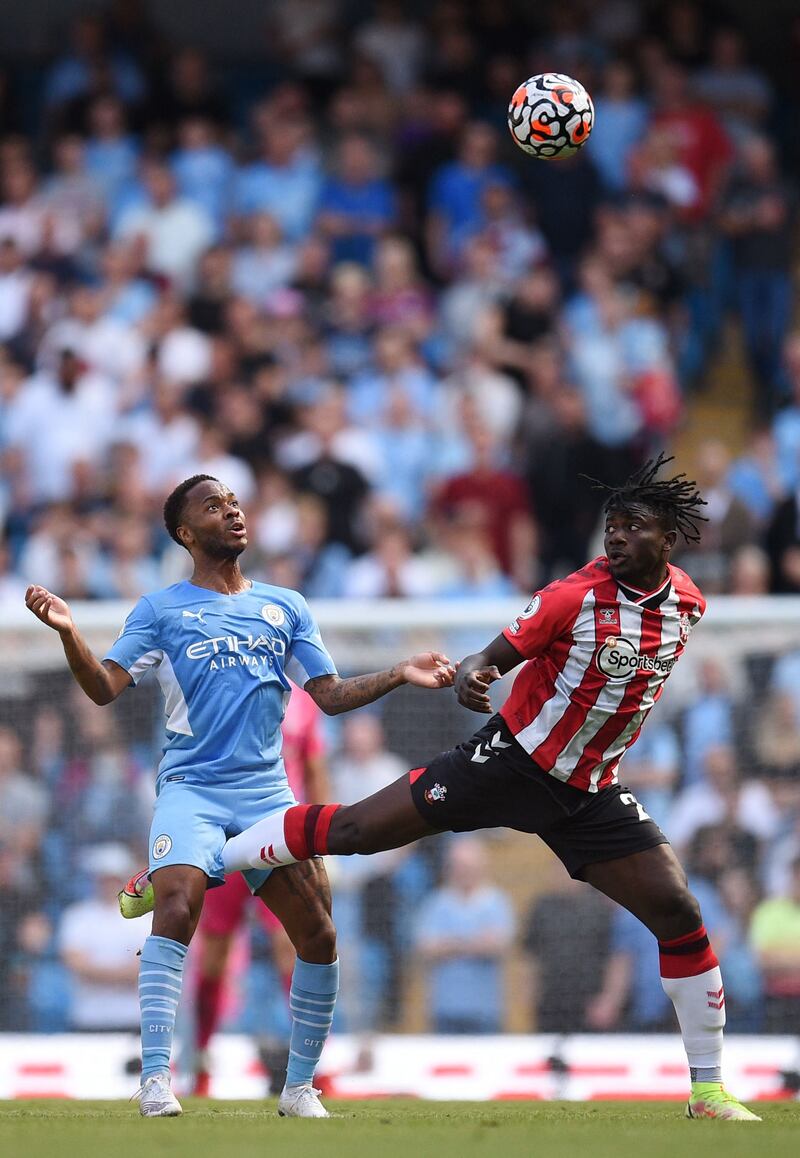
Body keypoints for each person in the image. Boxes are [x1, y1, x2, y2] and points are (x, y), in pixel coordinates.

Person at [208, 455, 761, 1122]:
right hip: (508, 763)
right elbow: (490, 656)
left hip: (586, 792)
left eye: (632, 527)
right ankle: (213, 858)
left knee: (679, 913)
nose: (615, 537)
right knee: (354, 831)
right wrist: (474, 676)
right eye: (610, 526)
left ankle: (707, 1091)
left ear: (667, 540)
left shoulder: (689, 605)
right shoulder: (572, 597)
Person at [24, 473, 454, 1119]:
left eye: (234, 502)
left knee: (318, 933)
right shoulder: (160, 609)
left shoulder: (287, 605)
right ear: (184, 531)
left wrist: (397, 672)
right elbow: (105, 688)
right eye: (213, 506)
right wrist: (67, 632)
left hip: (266, 797)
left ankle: (300, 1088)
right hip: (192, 790)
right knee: (175, 908)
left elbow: (329, 695)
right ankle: (158, 1078)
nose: (232, 512)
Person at [191, 680, 329, 1097]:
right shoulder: (222, 687)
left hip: (283, 840)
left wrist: (322, 840)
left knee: (299, 947)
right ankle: (198, 1060)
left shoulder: (304, 702)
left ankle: (311, 1068)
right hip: (227, 838)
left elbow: (314, 769)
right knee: (214, 955)